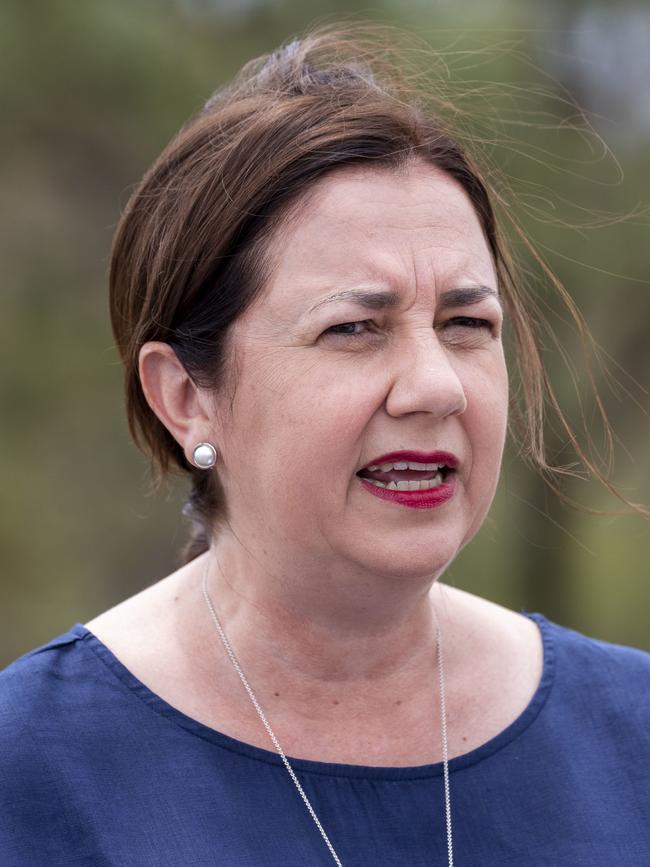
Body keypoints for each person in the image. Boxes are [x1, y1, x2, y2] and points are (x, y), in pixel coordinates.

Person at [1, 26, 649, 867]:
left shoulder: (630, 733)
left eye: (466, 324)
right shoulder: (34, 768)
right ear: (187, 397)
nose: (436, 386)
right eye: (353, 328)